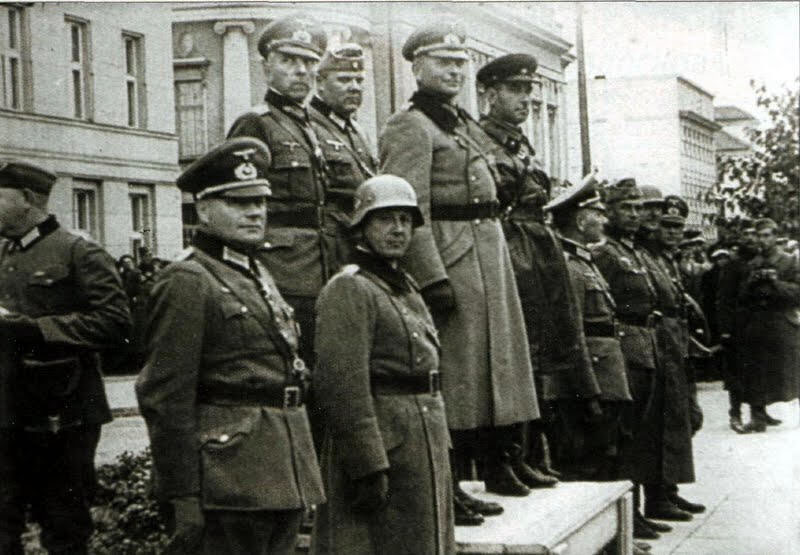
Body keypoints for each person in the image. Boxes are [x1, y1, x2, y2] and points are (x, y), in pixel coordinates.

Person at [379, 22, 538, 525]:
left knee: (494, 367)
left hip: (487, 252)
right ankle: (447, 483)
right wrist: (429, 275)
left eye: (458, 62)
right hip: (451, 254)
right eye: (442, 61)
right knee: (456, 377)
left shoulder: (457, 122)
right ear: (417, 66)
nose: (453, 70)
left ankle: (497, 462)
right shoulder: (411, 126)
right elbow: (409, 205)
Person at [135, 138, 324, 555]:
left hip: (280, 466)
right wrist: (183, 494)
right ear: (203, 210)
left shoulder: (255, 271)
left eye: (260, 201)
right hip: (227, 479)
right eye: (239, 203)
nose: (256, 212)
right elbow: (166, 396)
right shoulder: (188, 280)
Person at [312, 174, 454, 555]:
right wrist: (368, 464)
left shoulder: (403, 284)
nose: (398, 229)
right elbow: (343, 386)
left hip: (421, 439)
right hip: (385, 446)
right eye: (385, 219)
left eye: (406, 220)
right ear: (361, 227)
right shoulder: (350, 288)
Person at [0, 160, 131, 554]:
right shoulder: (5, 252)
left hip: (64, 412)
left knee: (64, 523)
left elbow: (116, 323)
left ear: (28, 200)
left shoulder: (79, 252)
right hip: (8, 411)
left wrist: (37, 329)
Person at [476, 53, 573, 489]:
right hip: (511, 249)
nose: (524, 99)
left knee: (537, 353)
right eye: (514, 90)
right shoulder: (480, 140)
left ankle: (528, 451)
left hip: (537, 251)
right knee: (512, 354)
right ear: (490, 94)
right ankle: (505, 456)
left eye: (527, 90)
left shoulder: (520, 142)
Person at [226, 15, 330, 370]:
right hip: (280, 268)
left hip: (321, 264)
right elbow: (238, 204)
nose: (301, 71)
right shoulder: (256, 123)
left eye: (309, 62)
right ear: (266, 66)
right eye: (289, 60)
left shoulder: (311, 127)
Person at [591, 178, 672, 540]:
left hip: (644, 343)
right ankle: (626, 519)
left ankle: (636, 512)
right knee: (624, 436)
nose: (636, 214)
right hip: (623, 347)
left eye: (638, 208)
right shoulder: (606, 253)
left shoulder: (632, 249)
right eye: (627, 207)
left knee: (641, 434)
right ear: (608, 211)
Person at [545, 178, 633, 482]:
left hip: (605, 373)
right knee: (589, 463)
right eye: (598, 212)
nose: (604, 219)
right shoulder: (570, 266)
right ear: (581, 221)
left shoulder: (585, 261)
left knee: (609, 454)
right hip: (590, 380)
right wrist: (588, 388)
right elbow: (572, 333)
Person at [637, 195, 705, 520]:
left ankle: (670, 490)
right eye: (667, 226)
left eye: (678, 227)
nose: (673, 232)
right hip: (661, 343)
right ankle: (657, 496)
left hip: (675, 343)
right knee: (662, 421)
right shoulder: (646, 257)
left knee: (678, 417)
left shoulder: (667, 260)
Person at [309, 41, 377, 267]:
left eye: (359, 80)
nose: (355, 87)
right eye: (344, 80)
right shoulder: (308, 126)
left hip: (358, 247)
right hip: (327, 252)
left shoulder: (357, 131)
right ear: (319, 83)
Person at [738, 217, 800, 431]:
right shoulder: (752, 264)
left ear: (775, 237)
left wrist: (775, 282)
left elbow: (797, 293)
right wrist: (752, 282)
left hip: (782, 320)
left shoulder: (790, 261)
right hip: (758, 322)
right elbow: (742, 297)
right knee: (756, 369)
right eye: (759, 236)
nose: (762, 240)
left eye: (766, 235)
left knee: (791, 369)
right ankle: (758, 416)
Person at [716, 220, 759, 433]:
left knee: (758, 371)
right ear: (740, 239)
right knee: (736, 373)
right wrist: (725, 329)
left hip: (759, 325)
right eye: (746, 234)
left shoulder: (760, 261)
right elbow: (723, 299)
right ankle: (735, 414)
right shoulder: (732, 265)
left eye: (754, 234)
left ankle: (758, 413)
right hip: (737, 326)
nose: (751, 238)